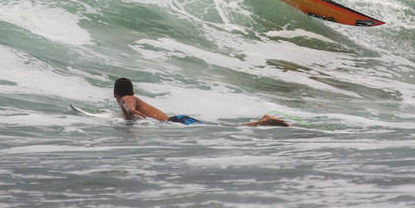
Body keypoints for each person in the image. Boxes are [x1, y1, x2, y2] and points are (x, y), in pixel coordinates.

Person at [113, 78, 289, 127]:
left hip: (175, 122)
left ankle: (263, 121)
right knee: (221, 127)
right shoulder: (133, 97)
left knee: (222, 128)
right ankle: (261, 122)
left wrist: (134, 113)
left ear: (115, 94)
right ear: (133, 89)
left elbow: (128, 104)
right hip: (177, 120)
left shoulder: (127, 99)